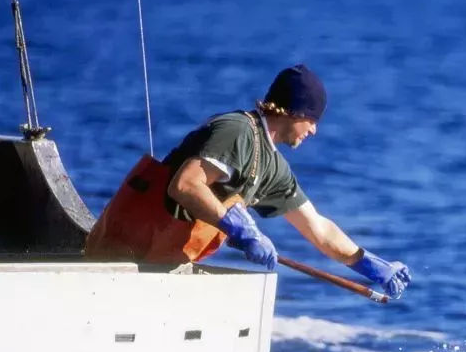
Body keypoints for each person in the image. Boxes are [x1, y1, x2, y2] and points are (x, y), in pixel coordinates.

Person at [84, 64, 411, 299]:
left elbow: (319, 228)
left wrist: (368, 264)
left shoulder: (273, 167)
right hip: (120, 257)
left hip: (159, 264)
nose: (314, 130)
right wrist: (238, 228)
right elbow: (184, 185)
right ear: (294, 112)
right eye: (312, 120)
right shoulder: (236, 131)